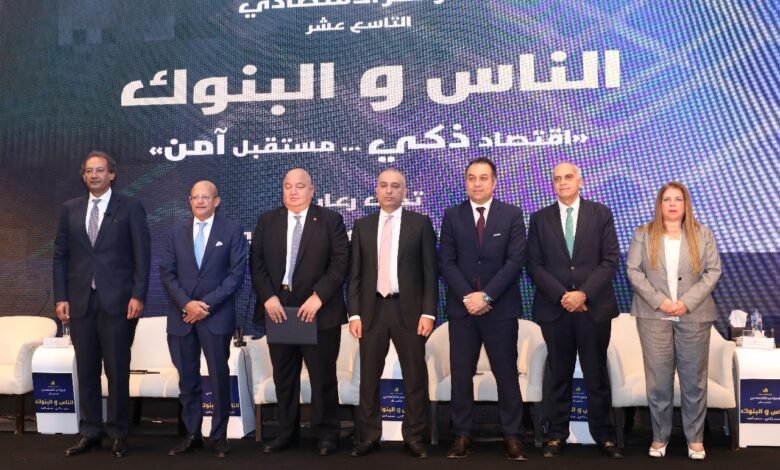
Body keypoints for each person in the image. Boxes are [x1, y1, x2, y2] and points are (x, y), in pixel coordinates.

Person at [53, 151, 151, 458]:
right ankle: (90, 431)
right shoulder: (70, 209)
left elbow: (142, 255)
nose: (93, 175)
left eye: (99, 170)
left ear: (112, 175)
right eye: (88, 171)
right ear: (83, 176)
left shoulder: (130, 207)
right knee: (86, 370)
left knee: (117, 370)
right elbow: (60, 256)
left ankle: (119, 432)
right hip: (80, 302)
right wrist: (61, 296)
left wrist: (138, 295)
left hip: (119, 303)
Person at [250, 168, 349, 456]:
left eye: (300, 186)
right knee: (284, 377)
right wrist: (268, 297)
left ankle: (326, 434)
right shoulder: (267, 221)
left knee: (322, 377)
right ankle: (286, 433)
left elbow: (340, 262)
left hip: (318, 311)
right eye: (287, 186)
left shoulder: (330, 220)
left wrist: (319, 297)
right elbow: (256, 263)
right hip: (278, 310)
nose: (293, 191)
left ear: (312, 190)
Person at [526, 162, 622, 459]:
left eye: (568, 177)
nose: (563, 182)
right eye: (557, 179)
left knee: (596, 376)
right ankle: (556, 435)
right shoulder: (539, 219)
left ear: (580, 181)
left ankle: (604, 435)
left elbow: (610, 259)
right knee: (559, 375)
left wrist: (583, 294)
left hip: (593, 309)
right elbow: (534, 265)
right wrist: (563, 296)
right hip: (555, 310)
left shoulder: (601, 214)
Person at [438, 157, 528, 461]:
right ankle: (462, 435)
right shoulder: (452, 215)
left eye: (483, 178)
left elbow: (515, 262)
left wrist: (486, 296)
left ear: (494, 182)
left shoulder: (512, 215)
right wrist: (469, 296)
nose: (477, 183)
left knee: (506, 374)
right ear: (466, 182)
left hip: (500, 310)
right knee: (461, 375)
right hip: (462, 310)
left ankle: (512, 436)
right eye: (471, 178)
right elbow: (446, 261)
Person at [626, 181, 721, 460]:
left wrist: (685, 303)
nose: (672, 204)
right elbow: (633, 271)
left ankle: (695, 439)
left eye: (677, 199)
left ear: (686, 203)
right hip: (653, 315)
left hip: (694, 315)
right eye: (666, 199)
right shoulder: (643, 234)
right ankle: (659, 437)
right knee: (658, 381)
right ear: (659, 204)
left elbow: (713, 271)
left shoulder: (703, 234)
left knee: (694, 380)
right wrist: (661, 302)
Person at [347, 169, 437, 459]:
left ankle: (415, 437)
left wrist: (428, 313)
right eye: (384, 185)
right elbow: (355, 275)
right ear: (376, 190)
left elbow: (430, 274)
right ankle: (368, 436)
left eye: (395, 186)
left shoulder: (420, 224)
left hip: (409, 311)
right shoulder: (362, 226)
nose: (389, 191)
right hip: (371, 311)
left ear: (404, 192)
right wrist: (354, 315)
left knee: (415, 377)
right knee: (368, 378)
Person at [159, 181, 247, 458]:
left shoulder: (231, 230)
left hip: (215, 316)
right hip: (182, 317)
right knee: (187, 380)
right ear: (189, 201)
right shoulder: (175, 232)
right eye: (195, 197)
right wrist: (187, 304)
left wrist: (204, 305)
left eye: (205, 197)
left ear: (216, 201)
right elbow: (167, 273)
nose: (199, 201)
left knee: (219, 378)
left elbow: (235, 275)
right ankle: (191, 435)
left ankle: (219, 437)